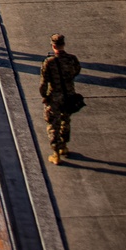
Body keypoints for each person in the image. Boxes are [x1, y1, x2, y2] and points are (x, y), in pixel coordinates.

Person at [39, 35, 82, 164]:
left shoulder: (49, 62)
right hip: (69, 95)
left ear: (53, 45)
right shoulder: (72, 59)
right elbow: (76, 71)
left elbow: (43, 83)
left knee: (53, 124)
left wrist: (45, 96)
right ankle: (64, 146)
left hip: (54, 97)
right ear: (64, 44)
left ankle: (55, 153)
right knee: (66, 121)